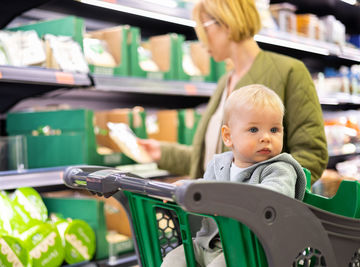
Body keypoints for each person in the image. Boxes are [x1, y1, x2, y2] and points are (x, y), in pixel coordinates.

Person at [139, 0, 328, 183]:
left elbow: (312, 156)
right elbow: (214, 156)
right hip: (214, 209)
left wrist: (263, 195)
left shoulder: (290, 72)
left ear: (226, 22)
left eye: (204, 28)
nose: (201, 40)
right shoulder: (225, 81)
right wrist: (161, 152)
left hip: (253, 212)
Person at [160, 84, 307, 267]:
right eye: (254, 130)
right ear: (228, 136)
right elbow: (206, 190)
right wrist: (190, 188)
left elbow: (272, 198)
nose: (266, 137)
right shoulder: (219, 164)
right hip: (208, 244)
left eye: (274, 130)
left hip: (253, 251)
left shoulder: (280, 169)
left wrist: (220, 197)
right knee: (174, 259)